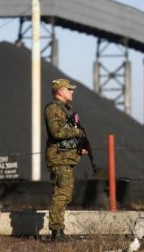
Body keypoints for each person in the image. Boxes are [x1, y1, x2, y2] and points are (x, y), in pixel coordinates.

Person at [44, 78, 88, 242]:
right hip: (59, 158)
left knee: (65, 194)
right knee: (61, 194)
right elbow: (57, 132)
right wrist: (77, 133)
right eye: (69, 89)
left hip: (65, 157)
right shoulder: (53, 108)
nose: (72, 92)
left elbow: (64, 136)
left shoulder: (65, 110)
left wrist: (79, 147)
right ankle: (57, 233)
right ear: (60, 91)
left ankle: (59, 231)